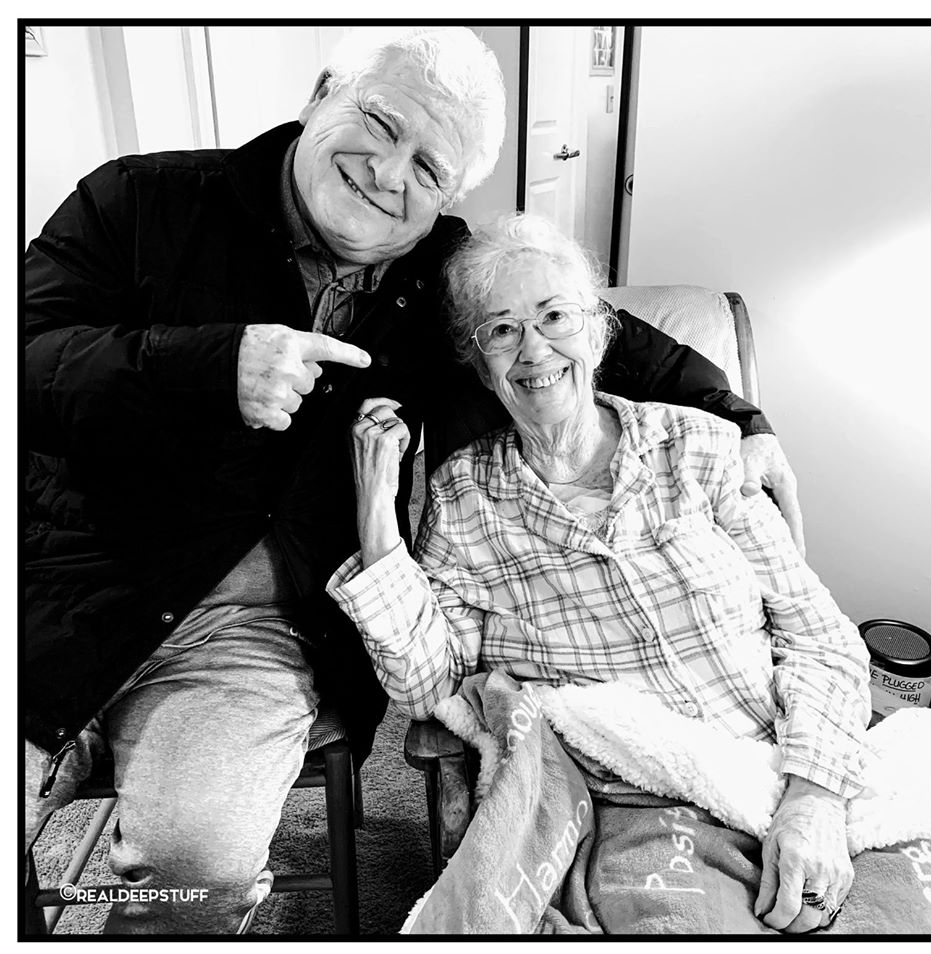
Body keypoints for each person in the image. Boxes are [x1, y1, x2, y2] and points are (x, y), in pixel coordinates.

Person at [24, 27, 797, 934]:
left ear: (448, 197)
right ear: (322, 93)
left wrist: (742, 418)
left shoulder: (440, 276)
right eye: (382, 125)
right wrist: (208, 365)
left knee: (195, 875)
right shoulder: (139, 199)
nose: (389, 175)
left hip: (251, 639)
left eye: (429, 168)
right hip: (61, 586)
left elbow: (593, 337)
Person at [330, 213, 872, 934]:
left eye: (555, 316)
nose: (534, 349)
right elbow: (427, 681)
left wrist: (813, 799)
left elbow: (820, 638)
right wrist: (377, 517)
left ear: (597, 331)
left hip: (789, 765)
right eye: (502, 330)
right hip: (630, 805)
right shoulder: (465, 500)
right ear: (479, 363)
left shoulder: (701, 448)